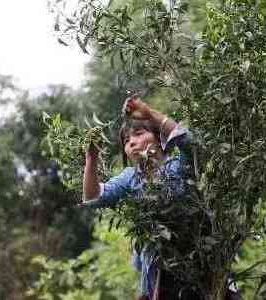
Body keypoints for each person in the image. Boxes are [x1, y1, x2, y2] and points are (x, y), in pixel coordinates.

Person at [80, 95, 241, 300]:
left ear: (158, 138)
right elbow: (94, 197)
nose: (132, 143)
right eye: (127, 141)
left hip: (203, 261)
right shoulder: (130, 177)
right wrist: (91, 159)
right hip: (163, 275)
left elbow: (192, 145)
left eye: (138, 134)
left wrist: (149, 114)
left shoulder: (178, 166)